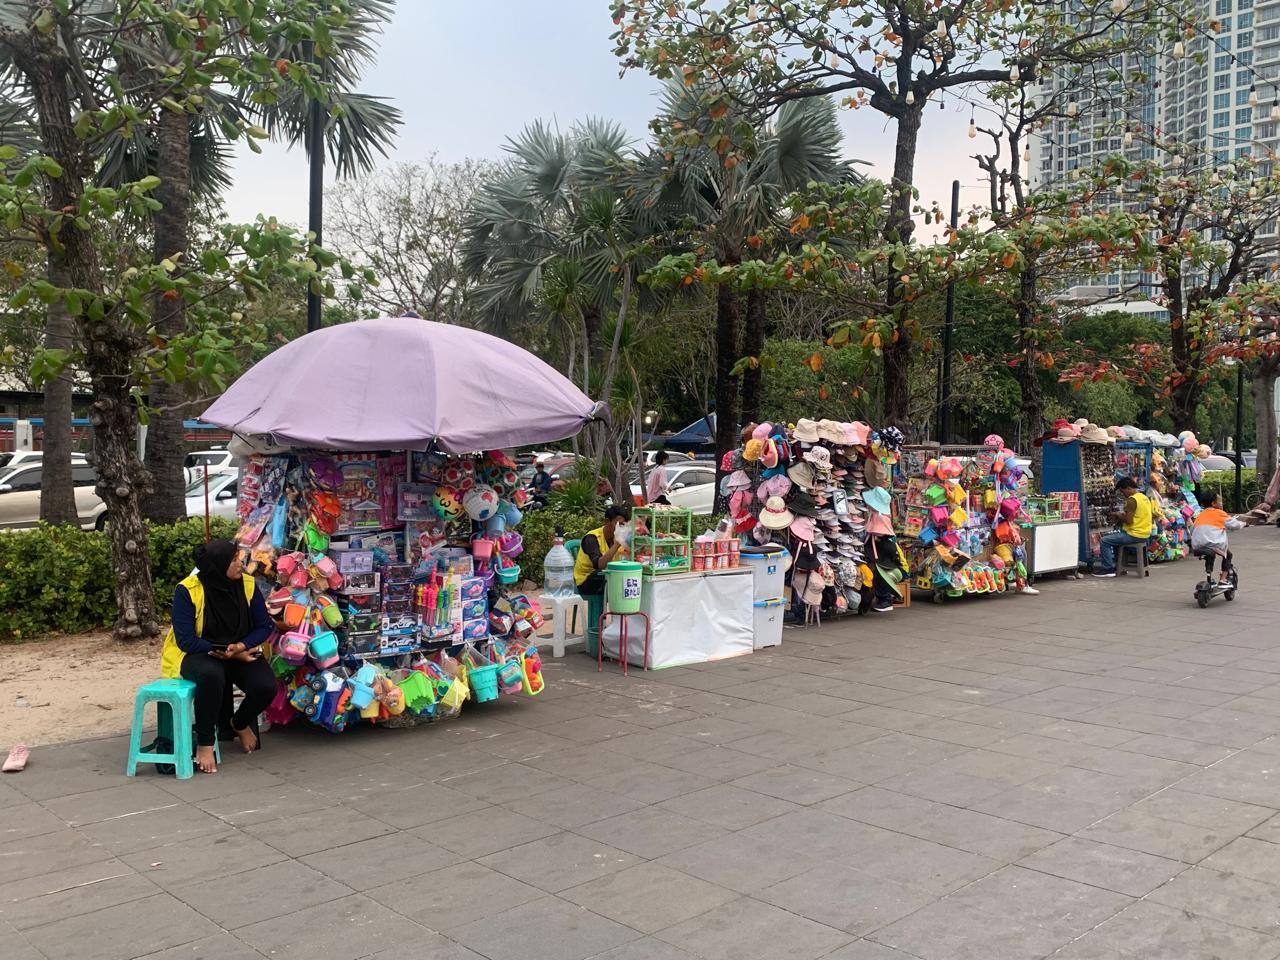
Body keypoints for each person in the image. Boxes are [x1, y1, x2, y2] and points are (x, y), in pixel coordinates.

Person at [159, 539, 277, 774]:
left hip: (237, 649)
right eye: (234, 559)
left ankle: (239, 723)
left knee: (266, 686)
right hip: (199, 651)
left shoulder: (247, 585)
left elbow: (265, 627)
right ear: (218, 565)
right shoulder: (187, 590)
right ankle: (205, 743)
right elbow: (186, 640)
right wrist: (232, 654)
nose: (240, 564)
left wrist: (242, 646)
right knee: (211, 676)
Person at [1094, 476, 1153, 578]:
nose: (1123, 495)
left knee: (1104, 541)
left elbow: (1129, 521)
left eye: (1123, 491)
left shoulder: (1132, 500)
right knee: (1116, 540)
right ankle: (1120, 566)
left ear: (1128, 488)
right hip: (1145, 533)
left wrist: (1118, 515)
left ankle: (1107, 569)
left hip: (1134, 534)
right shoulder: (1144, 497)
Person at [573, 504, 632, 596]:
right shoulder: (591, 538)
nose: (621, 529)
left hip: (609, 577)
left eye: (623, 526)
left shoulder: (618, 538)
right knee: (605, 575)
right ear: (607, 521)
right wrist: (616, 544)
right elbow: (599, 565)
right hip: (586, 581)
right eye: (619, 525)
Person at [1192, 492, 1245, 582]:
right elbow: (1234, 525)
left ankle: (1209, 575)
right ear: (1213, 503)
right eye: (1220, 501)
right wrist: (1243, 523)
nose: (1221, 503)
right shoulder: (1219, 513)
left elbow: (1192, 529)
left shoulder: (1200, 515)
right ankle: (1223, 579)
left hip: (1197, 545)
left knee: (1210, 555)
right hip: (1213, 544)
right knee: (1228, 555)